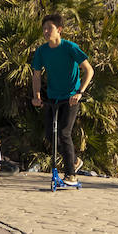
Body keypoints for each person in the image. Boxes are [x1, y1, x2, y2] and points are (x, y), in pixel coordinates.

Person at [31, 13, 93, 186]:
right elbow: (36, 75)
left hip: (71, 97)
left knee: (64, 133)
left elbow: (89, 70)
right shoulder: (42, 51)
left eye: (49, 28)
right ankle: (73, 161)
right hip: (53, 97)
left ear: (59, 30)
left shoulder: (70, 47)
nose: (45, 31)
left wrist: (79, 92)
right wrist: (36, 96)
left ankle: (71, 174)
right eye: (43, 28)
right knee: (51, 136)